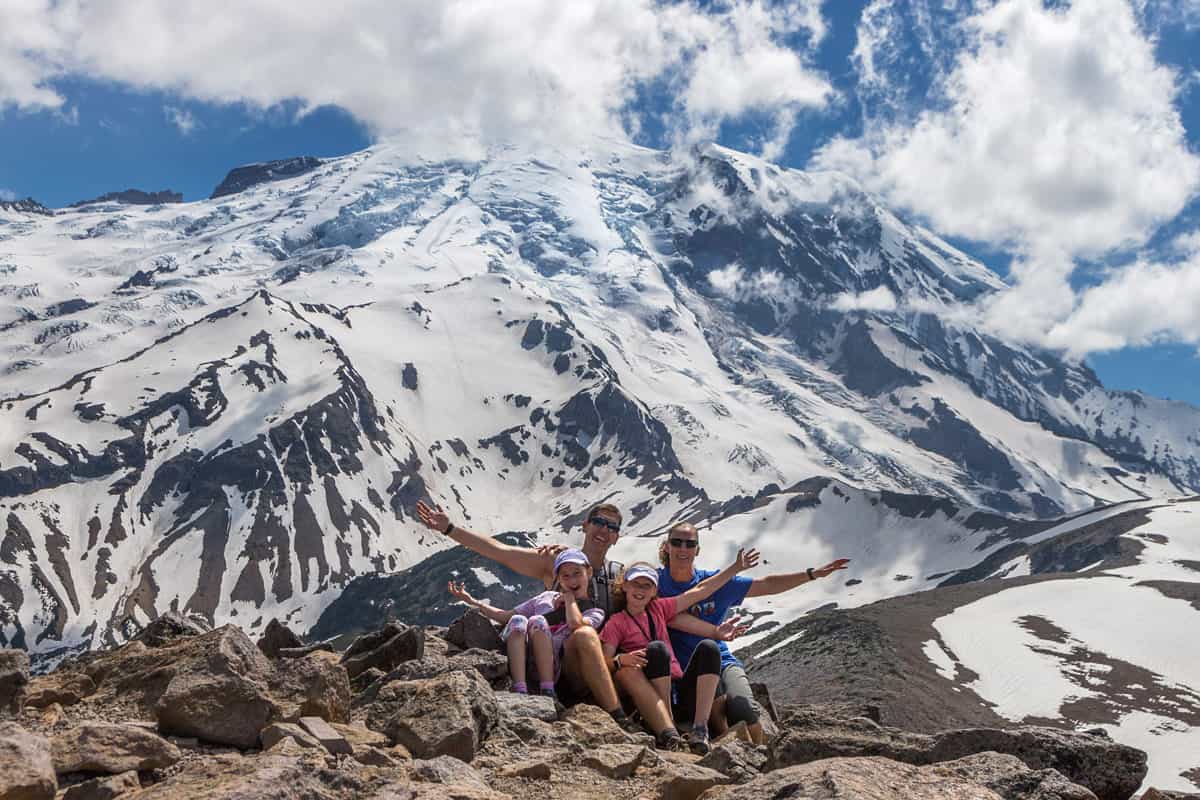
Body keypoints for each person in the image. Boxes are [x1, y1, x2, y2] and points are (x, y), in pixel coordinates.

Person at [415, 499, 637, 730]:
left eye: (611, 527)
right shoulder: (554, 561)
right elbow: (501, 552)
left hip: (606, 665)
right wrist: (450, 529)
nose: (604, 530)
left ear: (616, 537)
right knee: (584, 635)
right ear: (585, 525)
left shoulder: (619, 577)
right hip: (564, 668)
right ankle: (618, 716)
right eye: (599, 522)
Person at [657, 522, 851, 744]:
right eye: (677, 542)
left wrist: (811, 574)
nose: (683, 548)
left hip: (721, 660)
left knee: (743, 709)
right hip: (684, 669)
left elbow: (766, 585)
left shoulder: (716, 582)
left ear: (697, 550)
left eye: (690, 543)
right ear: (667, 547)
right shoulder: (656, 582)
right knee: (715, 716)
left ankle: (764, 756)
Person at [599, 549, 759, 754]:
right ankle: (667, 724)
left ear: (654, 591)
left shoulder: (659, 608)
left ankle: (700, 729)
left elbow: (701, 591)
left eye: (647, 585)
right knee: (657, 650)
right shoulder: (616, 623)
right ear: (625, 586)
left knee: (709, 647)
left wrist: (735, 568)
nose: (640, 590)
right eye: (635, 584)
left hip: (679, 690)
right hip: (651, 694)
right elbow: (604, 660)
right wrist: (622, 659)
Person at [447, 548, 603, 700]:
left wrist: (569, 600)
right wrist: (472, 601)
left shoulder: (594, 612)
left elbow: (576, 624)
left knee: (537, 621)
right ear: (559, 579)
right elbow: (504, 617)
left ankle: (547, 691)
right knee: (518, 620)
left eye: (577, 573)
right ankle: (520, 688)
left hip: (552, 665)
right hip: (521, 656)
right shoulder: (546, 597)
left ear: (588, 573)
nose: (572, 580)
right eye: (565, 576)